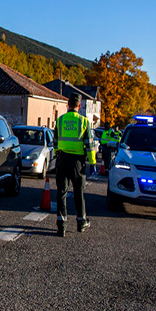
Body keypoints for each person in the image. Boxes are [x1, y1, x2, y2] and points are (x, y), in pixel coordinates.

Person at [54, 93, 97, 237]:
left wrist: (57, 154)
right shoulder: (83, 121)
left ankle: (61, 225)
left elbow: (55, 142)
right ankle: (81, 222)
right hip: (77, 161)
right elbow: (89, 145)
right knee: (79, 192)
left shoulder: (60, 120)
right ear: (79, 105)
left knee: (61, 192)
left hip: (62, 159)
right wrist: (93, 162)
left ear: (68, 105)